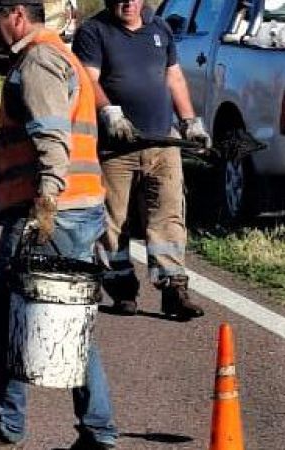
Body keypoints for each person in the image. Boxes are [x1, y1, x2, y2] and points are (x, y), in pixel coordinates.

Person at [0, 0, 117, 448]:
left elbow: (51, 135)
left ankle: (7, 429)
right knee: (68, 320)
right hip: (76, 207)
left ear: (18, 16)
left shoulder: (39, 60)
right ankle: (98, 433)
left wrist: (45, 197)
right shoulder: (61, 54)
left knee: (6, 319)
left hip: (48, 213)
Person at [72, 0, 211, 319]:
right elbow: (89, 80)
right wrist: (109, 112)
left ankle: (174, 288)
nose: (128, 3)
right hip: (115, 147)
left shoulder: (159, 28)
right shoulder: (93, 32)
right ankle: (121, 289)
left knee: (168, 215)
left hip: (163, 143)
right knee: (111, 222)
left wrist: (190, 122)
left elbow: (174, 78)